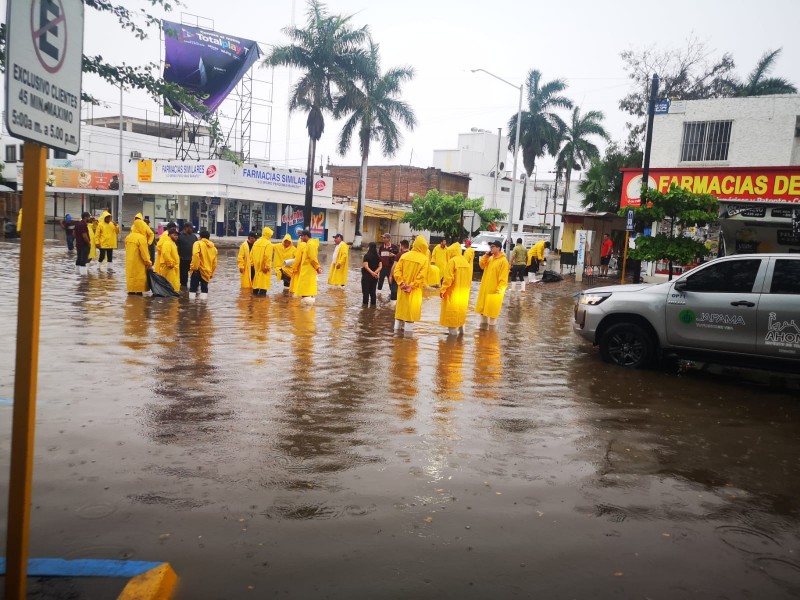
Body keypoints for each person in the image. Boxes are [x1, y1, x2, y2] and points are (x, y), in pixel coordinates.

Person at [393, 235, 429, 332]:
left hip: (402, 290)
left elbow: (396, 271)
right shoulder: (424, 259)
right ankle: (407, 343)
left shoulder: (404, 256)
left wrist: (401, 283)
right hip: (414, 292)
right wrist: (411, 286)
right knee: (410, 316)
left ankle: (395, 339)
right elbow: (421, 277)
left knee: (399, 314)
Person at [475, 240, 509, 327]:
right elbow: (481, 265)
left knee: (492, 315)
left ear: (498, 248)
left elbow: (503, 278)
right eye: (490, 247)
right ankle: (482, 336)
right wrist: (486, 255)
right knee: (483, 312)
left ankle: (491, 336)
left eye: (493, 247)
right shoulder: (490, 258)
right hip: (485, 289)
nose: (491, 248)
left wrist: (500, 289)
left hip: (495, 291)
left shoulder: (503, 261)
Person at [439, 242, 470, 335]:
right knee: (460, 314)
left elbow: (448, 278)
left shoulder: (452, 261)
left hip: (453, 292)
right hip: (463, 293)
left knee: (451, 316)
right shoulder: (465, 261)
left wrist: (442, 290)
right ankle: (460, 340)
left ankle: (451, 344)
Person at [124, 219, 153, 295]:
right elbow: (145, 254)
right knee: (139, 290)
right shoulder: (141, 238)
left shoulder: (128, 237)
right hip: (139, 264)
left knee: (131, 290)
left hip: (129, 264)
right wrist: (149, 264)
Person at [294, 229, 322, 304]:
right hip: (306, 270)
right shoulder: (308, 244)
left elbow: (312, 258)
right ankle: (305, 308)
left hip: (308, 271)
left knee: (307, 288)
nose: (301, 238)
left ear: (306, 236)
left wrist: (317, 268)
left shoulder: (311, 244)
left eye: (302, 236)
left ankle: (307, 307)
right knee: (305, 288)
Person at [189, 230, 218, 299]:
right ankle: (203, 306)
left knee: (193, 288)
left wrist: (194, 267)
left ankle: (192, 305)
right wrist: (211, 273)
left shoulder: (197, 243)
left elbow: (195, 255)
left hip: (197, 270)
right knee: (204, 289)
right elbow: (214, 263)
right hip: (207, 271)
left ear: (200, 237)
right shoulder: (213, 248)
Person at [251, 226, 274, 296]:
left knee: (255, 287)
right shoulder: (268, 244)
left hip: (256, 267)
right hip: (264, 268)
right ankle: (262, 305)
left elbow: (251, 254)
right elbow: (268, 256)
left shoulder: (256, 243)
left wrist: (252, 264)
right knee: (263, 288)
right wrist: (267, 266)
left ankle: (253, 303)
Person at [157, 227, 181, 292]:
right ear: (170, 235)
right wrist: (170, 264)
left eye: (177, 235)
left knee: (173, 287)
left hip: (173, 268)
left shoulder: (172, 243)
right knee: (170, 287)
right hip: (169, 268)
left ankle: (172, 301)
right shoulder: (167, 243)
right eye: (174, 235)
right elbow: (165, 254)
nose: (176, 237)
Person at [177, 222, 197, 289]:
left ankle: (193, 288)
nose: (192, 230)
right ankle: (183, 289)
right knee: (183, 276)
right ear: (186, 228)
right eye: (191, 228)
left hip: (192, 260)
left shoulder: (194, 236)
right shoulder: (179, 236)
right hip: (183, 259)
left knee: (194, 275)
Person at [361, 242, 381, 307]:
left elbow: (366, 266)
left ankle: (365, 308)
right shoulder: (378, 256)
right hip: (375, 277)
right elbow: (380, 266)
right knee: (373, 293)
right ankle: (373, 307)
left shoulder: (366, 256)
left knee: (365, 293)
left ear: (369, 247)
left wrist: (372, 273)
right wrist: (375, 273)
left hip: (366, 276)